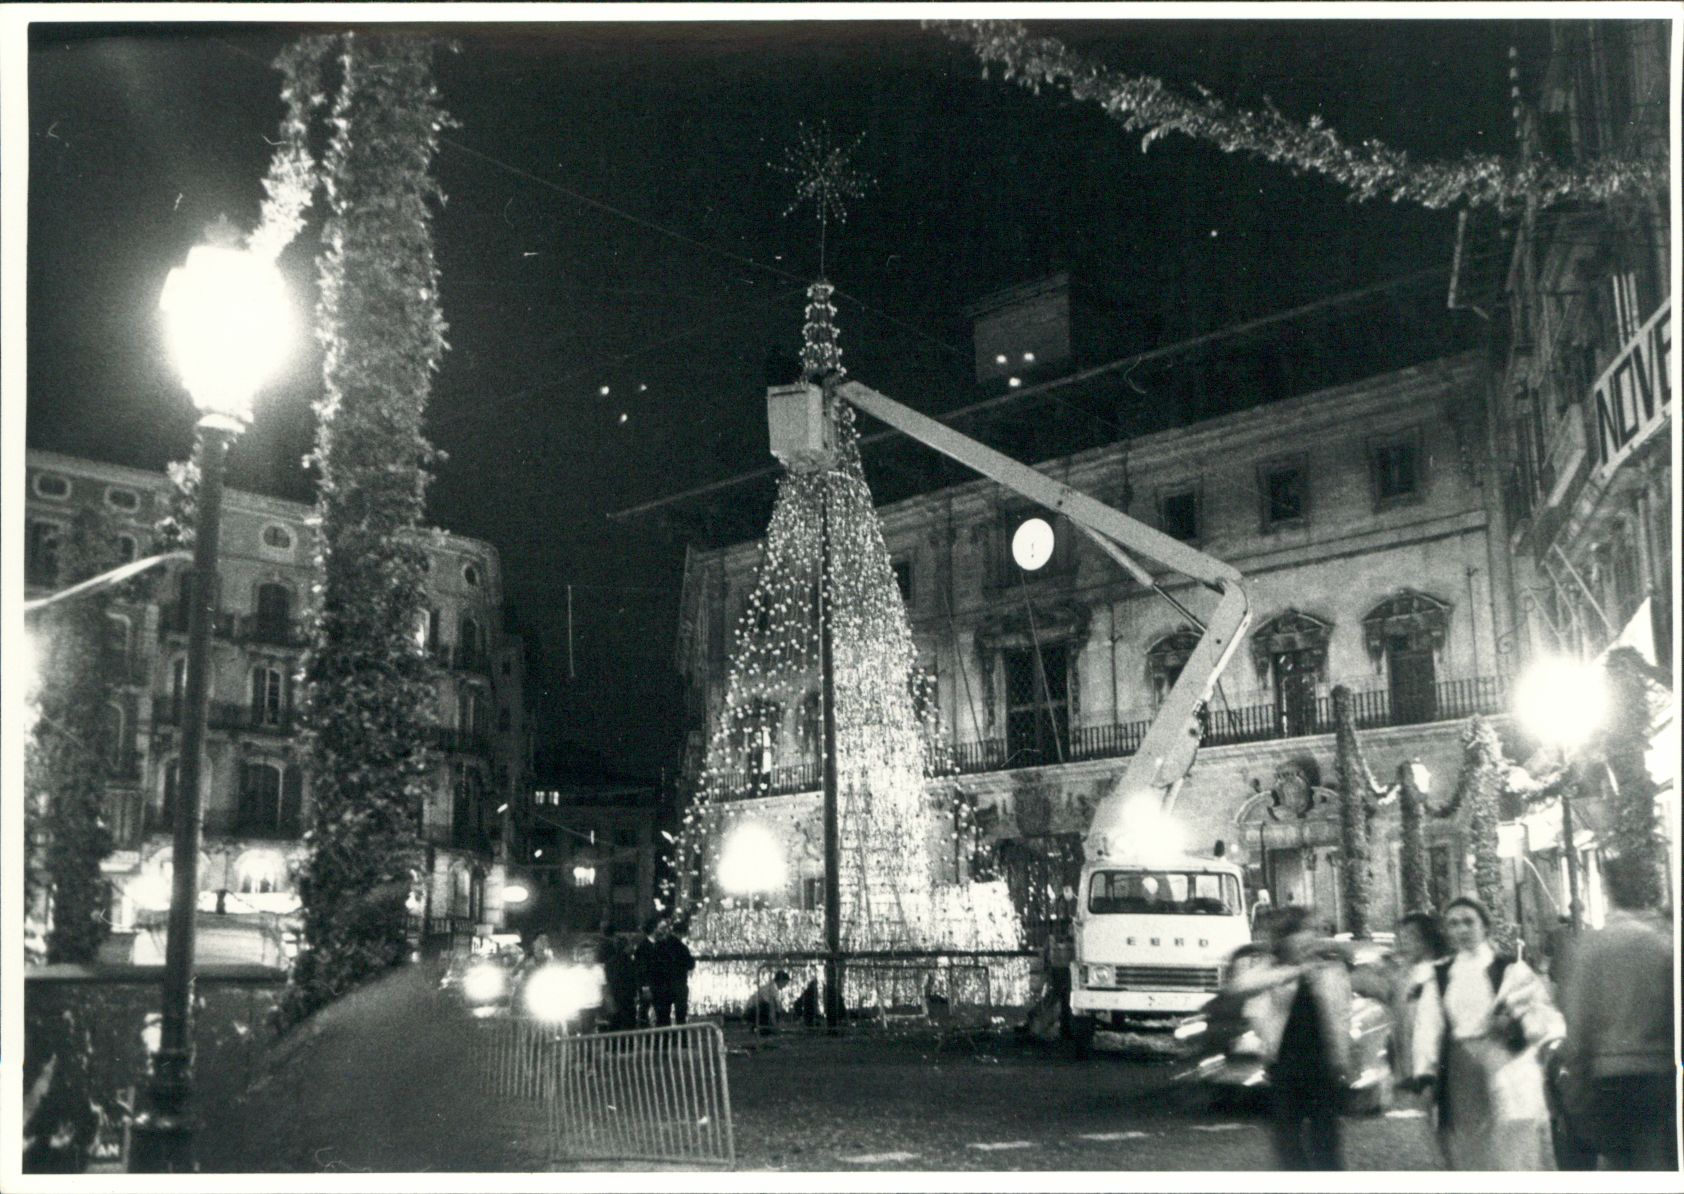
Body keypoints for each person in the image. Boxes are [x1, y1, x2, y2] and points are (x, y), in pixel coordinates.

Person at [1408, 895, 1562, 1170]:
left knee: (1510, 1147)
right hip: (1461, 1072)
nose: (1462, 929)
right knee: (1471, 1148)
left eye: (1469, 921)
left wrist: (1517, 1024)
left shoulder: (1510, 970)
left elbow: (1543, 1017)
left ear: (1485, 926)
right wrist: (1426, 1075)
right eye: (1454, 924)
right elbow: (1427, 1027)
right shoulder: (1440, 976)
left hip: (1507, 1064)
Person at [1557, 855, 1676, 1170]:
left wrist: (1576, 1077)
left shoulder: (1593, 946)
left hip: (1609, 1077)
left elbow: (1579, 1020)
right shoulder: (1665, 944)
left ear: (1610, 889)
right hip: (1661, 1073)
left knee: (1624, 1166)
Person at [1223, 906, 1353, 1170]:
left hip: (1322, 1064)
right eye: (1305, 931)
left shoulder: (1330, 968)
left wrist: (1342, 1058)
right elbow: (1239, 986)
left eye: (1314, 932)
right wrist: (1292, 971)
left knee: (1327, 1142)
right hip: (1285, 1064)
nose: (1312, 938)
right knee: (1287, 1141)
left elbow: (1341, 1016)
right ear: (1286, 938)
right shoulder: (1271, 968)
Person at [634, 915, 696, 1027]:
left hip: (663, 988)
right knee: (676, 1018)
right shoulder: (676, 945)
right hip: (673, 987)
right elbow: (690, 963)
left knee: (664, 1019)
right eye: (662, 928)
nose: (665, 930)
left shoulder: (661, 946)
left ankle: (665, 1042)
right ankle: (680, 1041)